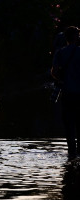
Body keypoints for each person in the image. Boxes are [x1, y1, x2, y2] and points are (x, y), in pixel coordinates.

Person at [51, 26, 80, 159]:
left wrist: (62, 79)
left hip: (67, 93)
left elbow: (54, 72)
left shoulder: (60, 53)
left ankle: (71, 153)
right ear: (76, 37)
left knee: (69, 125)